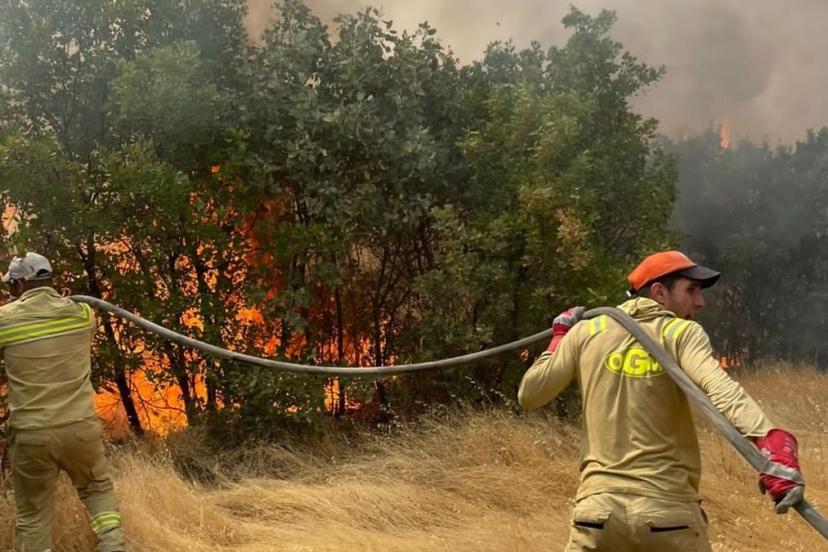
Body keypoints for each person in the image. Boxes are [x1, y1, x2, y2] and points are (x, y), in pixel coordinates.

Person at [518, 250, 804, 552]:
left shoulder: (588, 331)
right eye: (691, 290)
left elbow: (530, 394)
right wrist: (770, 440)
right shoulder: (680, 332)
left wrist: (560, 337)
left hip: (597, 517)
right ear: (659, 293)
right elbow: (719, 388)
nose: (700, 302)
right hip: (668, 517)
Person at [0, 252, 126, 552]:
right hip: (80, 428)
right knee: (97, 491)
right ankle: (113, 545)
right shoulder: (82, 315)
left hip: (32, 434)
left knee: (33, 516)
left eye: (11, 286)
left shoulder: (4, 321)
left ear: (20, 284)